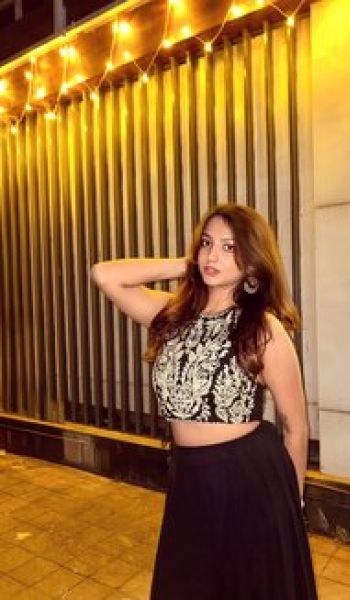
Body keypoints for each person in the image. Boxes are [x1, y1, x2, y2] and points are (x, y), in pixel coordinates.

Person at [91, 203, 318, 600]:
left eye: (230, 247)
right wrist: (186, 265)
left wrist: (292, 504)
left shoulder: (263, 328)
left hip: (248, 478)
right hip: (189, 477)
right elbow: (104, 275)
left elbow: (295, 427)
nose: (213, 255)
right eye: (207, 244)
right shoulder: (174, 313)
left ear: (252, 260)